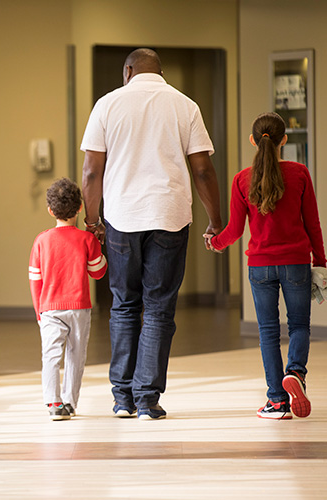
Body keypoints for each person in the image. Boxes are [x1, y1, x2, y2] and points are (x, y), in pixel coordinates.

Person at [80, 48, 222, 420]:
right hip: (170, 217)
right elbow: (203, 170)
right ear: (160, 72)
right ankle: (147, 400)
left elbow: (92, 171)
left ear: (127, 71)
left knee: (124, 304)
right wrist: (215, 220)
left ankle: (122, 398)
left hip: (122, 219)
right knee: (158, 308)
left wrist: (93, 220)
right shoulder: (184, 105)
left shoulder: (107, 105)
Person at [207, 112, 325, 419]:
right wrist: (322, 262)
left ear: (253, 141)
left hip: (259, 267)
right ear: (284, 140)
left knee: (268, 332)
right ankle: (295, 373)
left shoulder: (242, 180)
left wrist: (214, 243)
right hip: (296, 263)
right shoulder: (299, 173)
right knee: (299, 325)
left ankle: (276, 401)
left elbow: (233, 229)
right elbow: (313, 224)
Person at [29, 177, 107, 420]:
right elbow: (99, 271)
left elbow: (35, 279)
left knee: (50, 356)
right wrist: (99, 247)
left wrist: (38, 310)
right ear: (80, 208)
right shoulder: (86, 240)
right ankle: (70, 403)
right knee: (76, 356)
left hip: (50, 308)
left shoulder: (41, 241)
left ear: (50, 210)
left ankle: (53, 403)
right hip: (79, 308)